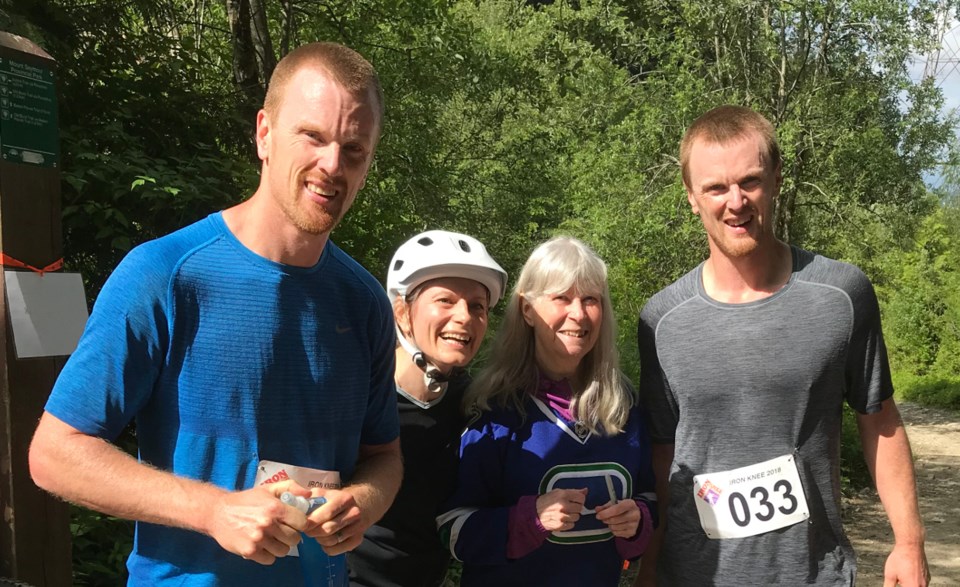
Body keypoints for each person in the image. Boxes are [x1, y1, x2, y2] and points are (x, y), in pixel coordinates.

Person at [28, 42, 402, 586]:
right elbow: (55, 453)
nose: (332, 164)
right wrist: (212, 510)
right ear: (264, 134)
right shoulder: (164, 274)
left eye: (354, 148)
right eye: (313, 137)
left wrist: (362, 503)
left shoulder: (364, 302)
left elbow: (384, 457)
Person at [634, 105, 930, 586]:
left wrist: (909, 542)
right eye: (715, 187)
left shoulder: (842, 295)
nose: (735, 202)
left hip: (814, 572)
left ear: (776, 179)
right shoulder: (661, 320)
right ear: (691, 197)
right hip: (695, 575)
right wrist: (649, 568)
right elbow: (663, 456)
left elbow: (878, 417)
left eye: (749, 181)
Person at [437, 236, 657, 587]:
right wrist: (528, 519)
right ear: (527, 309)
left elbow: (649, 495)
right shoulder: (494, 408)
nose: (579, 313)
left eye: (590, 299)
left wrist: (639, 520)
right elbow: (451, 527)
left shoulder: (622, 404)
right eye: (562, 298)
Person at [347, 230, 508, 587]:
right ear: (402, 312)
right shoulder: (356, 392)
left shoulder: (472, 403)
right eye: (446, 300)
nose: (465, 317)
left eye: (477, 306)